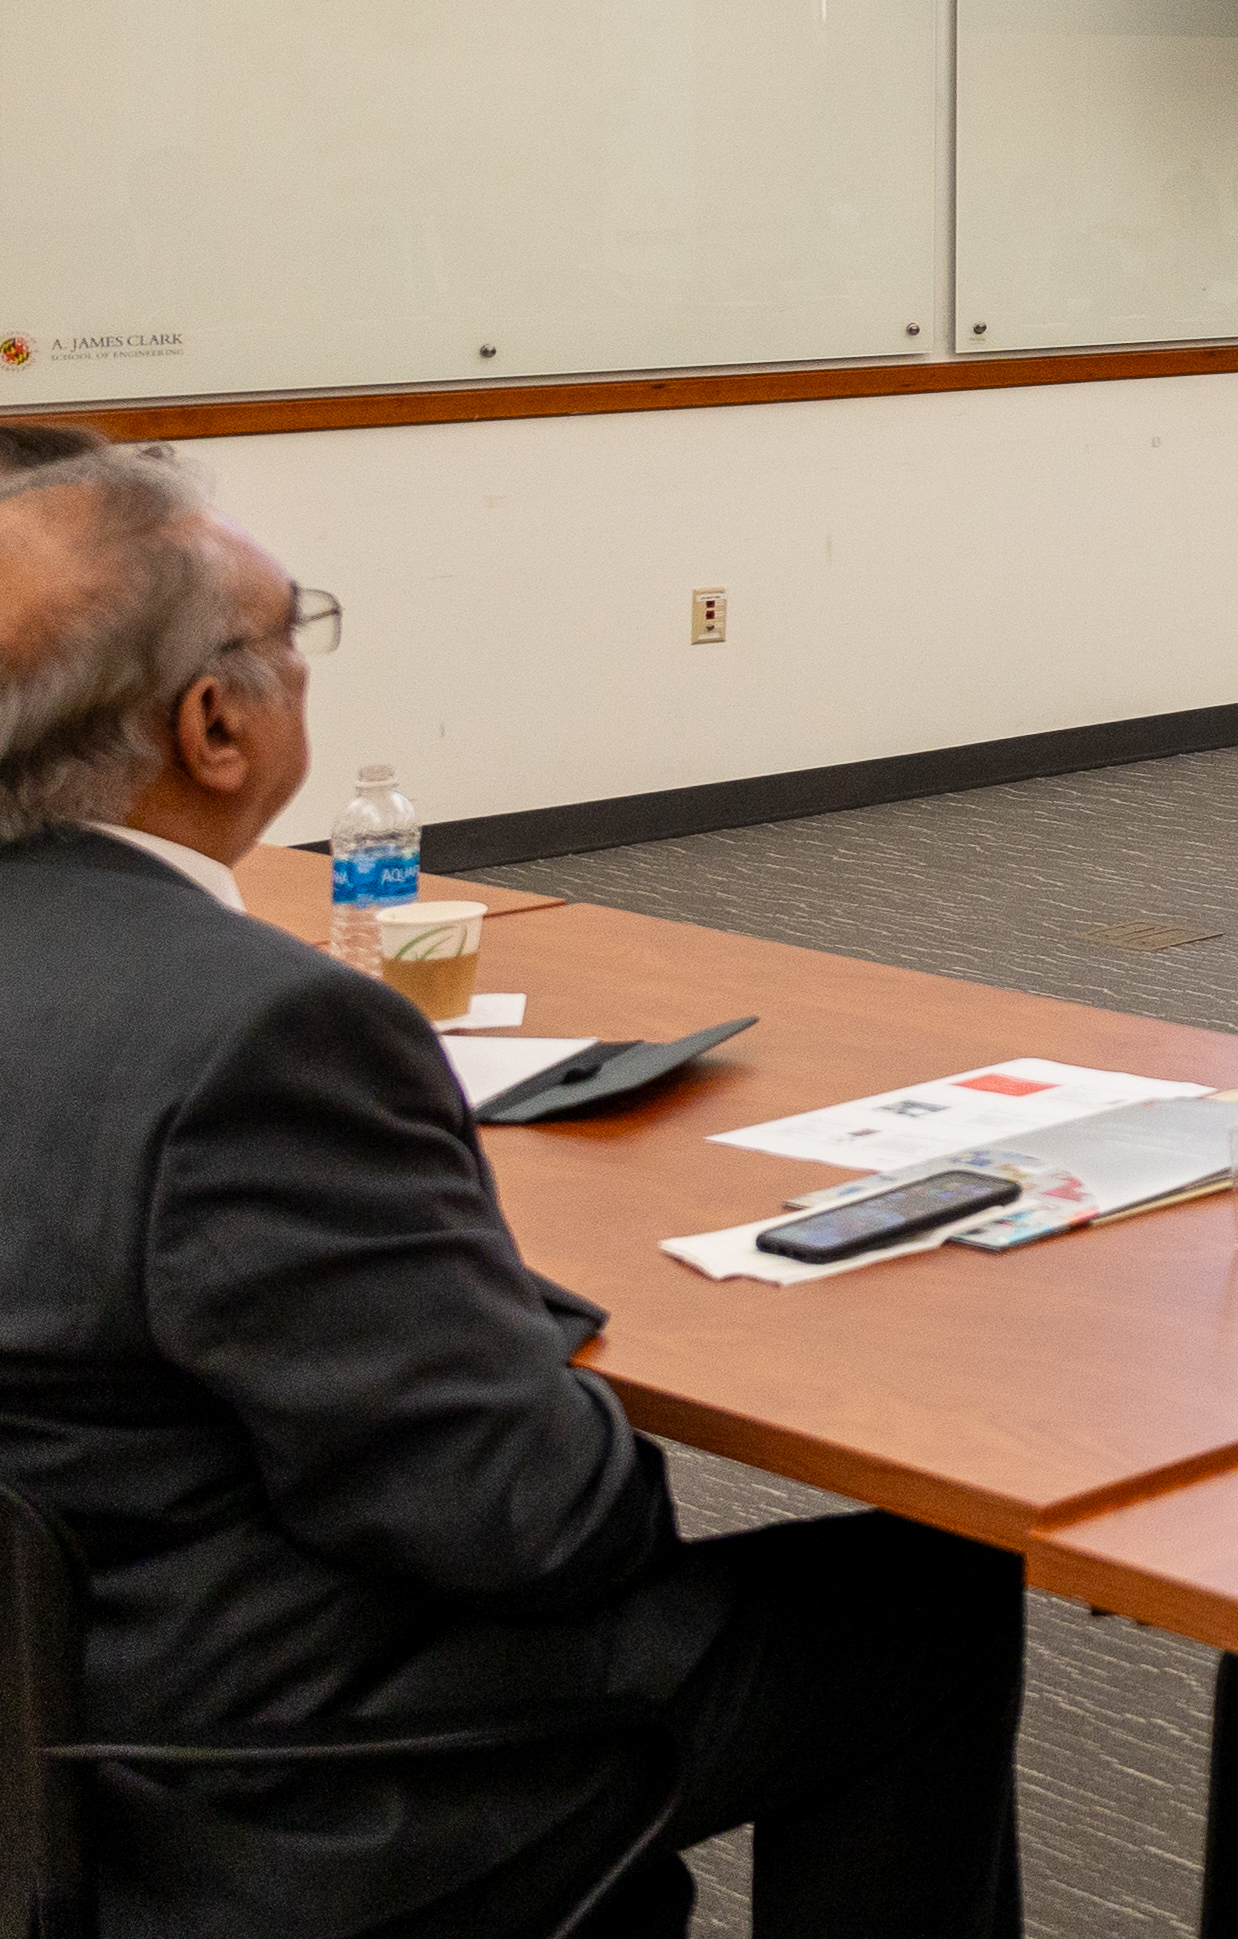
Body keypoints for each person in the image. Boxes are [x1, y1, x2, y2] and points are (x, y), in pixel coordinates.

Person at [0, 445, 1031, 1939]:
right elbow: (530, 1525)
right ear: (214, 725)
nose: (304, 666)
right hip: (254, 1790)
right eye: (292, 635)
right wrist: (522, 1337)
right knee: (918, 1608)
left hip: (46, 1706)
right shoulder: (261, 1029)